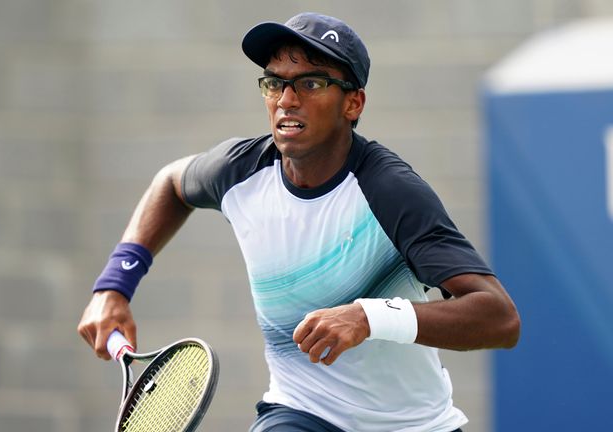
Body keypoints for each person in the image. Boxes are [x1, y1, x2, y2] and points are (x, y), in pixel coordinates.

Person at [77, 12, 520, 432]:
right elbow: (171, 183)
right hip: (301, 410)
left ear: (353, 102)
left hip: (414, 423)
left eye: (310, 83)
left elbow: (499, 319)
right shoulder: (239, 172)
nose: (286, 100)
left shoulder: (391, 192)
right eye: (274, 83)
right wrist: (114, 286)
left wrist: (369, 316)